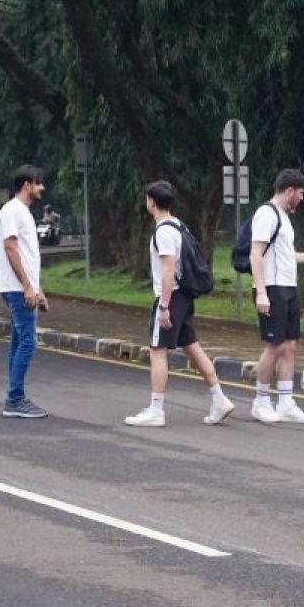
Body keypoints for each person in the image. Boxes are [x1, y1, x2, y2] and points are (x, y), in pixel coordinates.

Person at [124, 181, 235, 428]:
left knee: (157, 351)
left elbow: (168, 268)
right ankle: (219, 398)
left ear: (151, 201)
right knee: (191, 346)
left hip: (171, 297)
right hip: (184, 297)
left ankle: (156, 409)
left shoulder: (163, 231)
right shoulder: (179, 225)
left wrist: (163, 307)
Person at [249, 169, 304, 424]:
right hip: (271, 288)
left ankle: (285, 402)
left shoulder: (283, 217)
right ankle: (261, 401)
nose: (302, 198)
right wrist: (262, 292)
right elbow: (256, 254)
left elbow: (283, 255)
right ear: (290, 191)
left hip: (287, 286)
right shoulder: (266, 214)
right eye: (301, 193)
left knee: (290, 344)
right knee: (275, 345)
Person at [0, 165, 49, 418]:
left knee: (19, 342)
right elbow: (10, 248)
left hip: (24, 287)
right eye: (38, 183)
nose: (41, 188)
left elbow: (28, 255)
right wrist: (28, 287)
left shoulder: (23, 212)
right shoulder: (12, 210)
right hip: (18, 288)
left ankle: (14, 396)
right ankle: (15, 399)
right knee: (28, 342)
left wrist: (39, 289)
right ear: (27, 184)